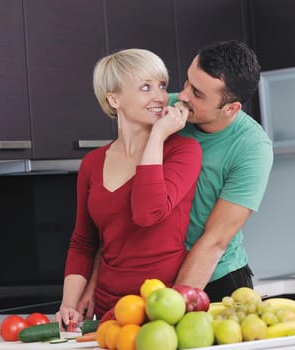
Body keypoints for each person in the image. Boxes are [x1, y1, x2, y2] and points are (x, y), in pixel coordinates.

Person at [55, 48, 202, 327]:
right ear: (114, 98)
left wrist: (158, 135)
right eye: (145, 87)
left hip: (165, 307)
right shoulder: (92, 163)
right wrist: (68, 304)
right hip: (109, 309)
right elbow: (83, 242)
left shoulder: (183, 151)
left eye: (161, 85)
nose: (160, 96)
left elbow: (148, 212)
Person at [170, 40, 274, 301]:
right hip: (157, 275)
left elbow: (215, 240)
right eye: (187, 82)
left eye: (197, 93)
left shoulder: (252, 147)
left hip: (217, 280)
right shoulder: (169, 111)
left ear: (230, 108)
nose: (182, 96)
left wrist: (172, 306)